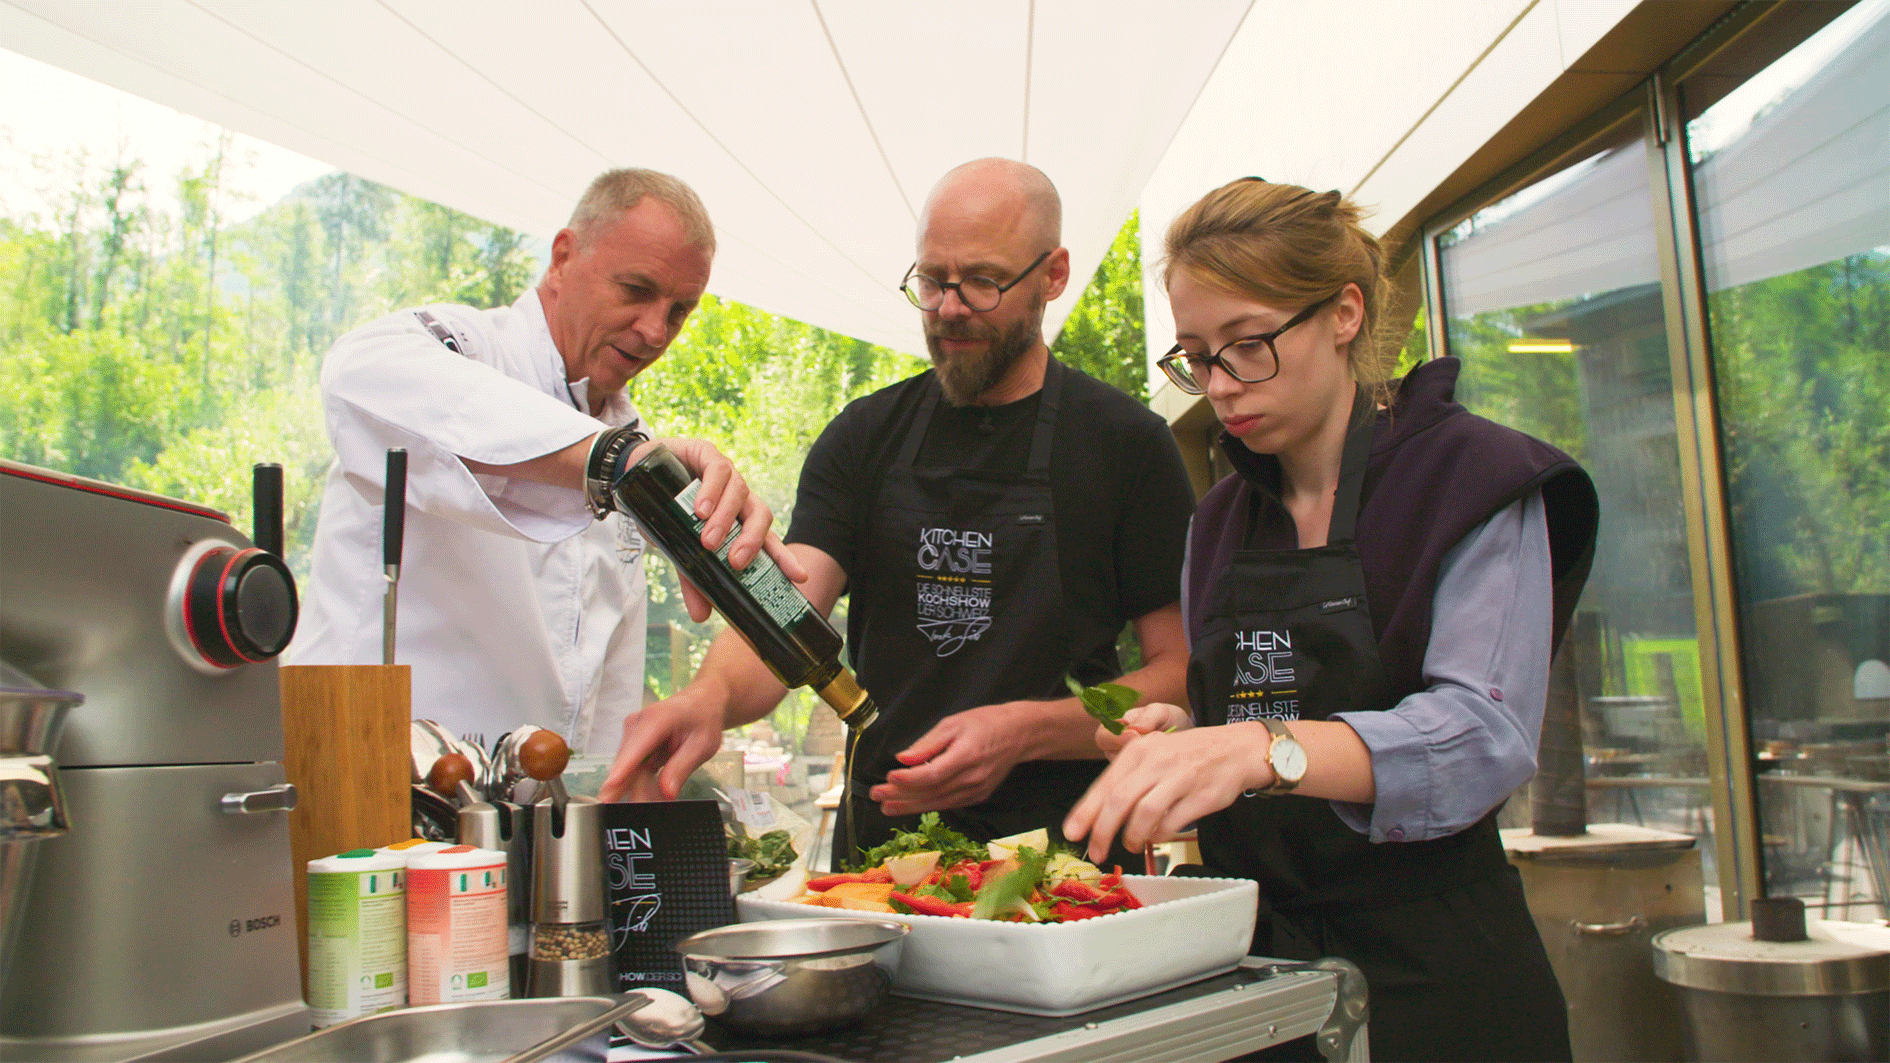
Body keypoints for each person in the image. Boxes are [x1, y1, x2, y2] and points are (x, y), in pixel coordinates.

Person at [1063, 179, 1599, 1063]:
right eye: (1196, 356)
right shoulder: (1219, 519)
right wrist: (1193, 736)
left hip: (1438, 977)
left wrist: (1257, 749)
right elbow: (1267, 713)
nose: (1221, 386)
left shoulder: (1476, 480)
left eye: (1249, 346)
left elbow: (1479, 736)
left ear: (1344, 312)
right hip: (1263, 978)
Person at [601, 159, 1196, 869]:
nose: (948, 308)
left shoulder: (1125, 444)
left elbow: (1181, 671)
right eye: (933, 280)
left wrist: (1025, 730)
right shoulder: (865, 437)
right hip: (885, 870)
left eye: (982, 281)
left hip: (1066, 865)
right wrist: (709, 697)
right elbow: (786, 607)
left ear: (1054, 274)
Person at [290, 168, 802, 755]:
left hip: (523, 820)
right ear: (562, 257)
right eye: (636, 290)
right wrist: (609, 460)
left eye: (680, 311)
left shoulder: (633, 448)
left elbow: (606, 676)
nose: (655, 331)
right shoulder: (470, 347)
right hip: (362, 776)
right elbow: (358, 373)